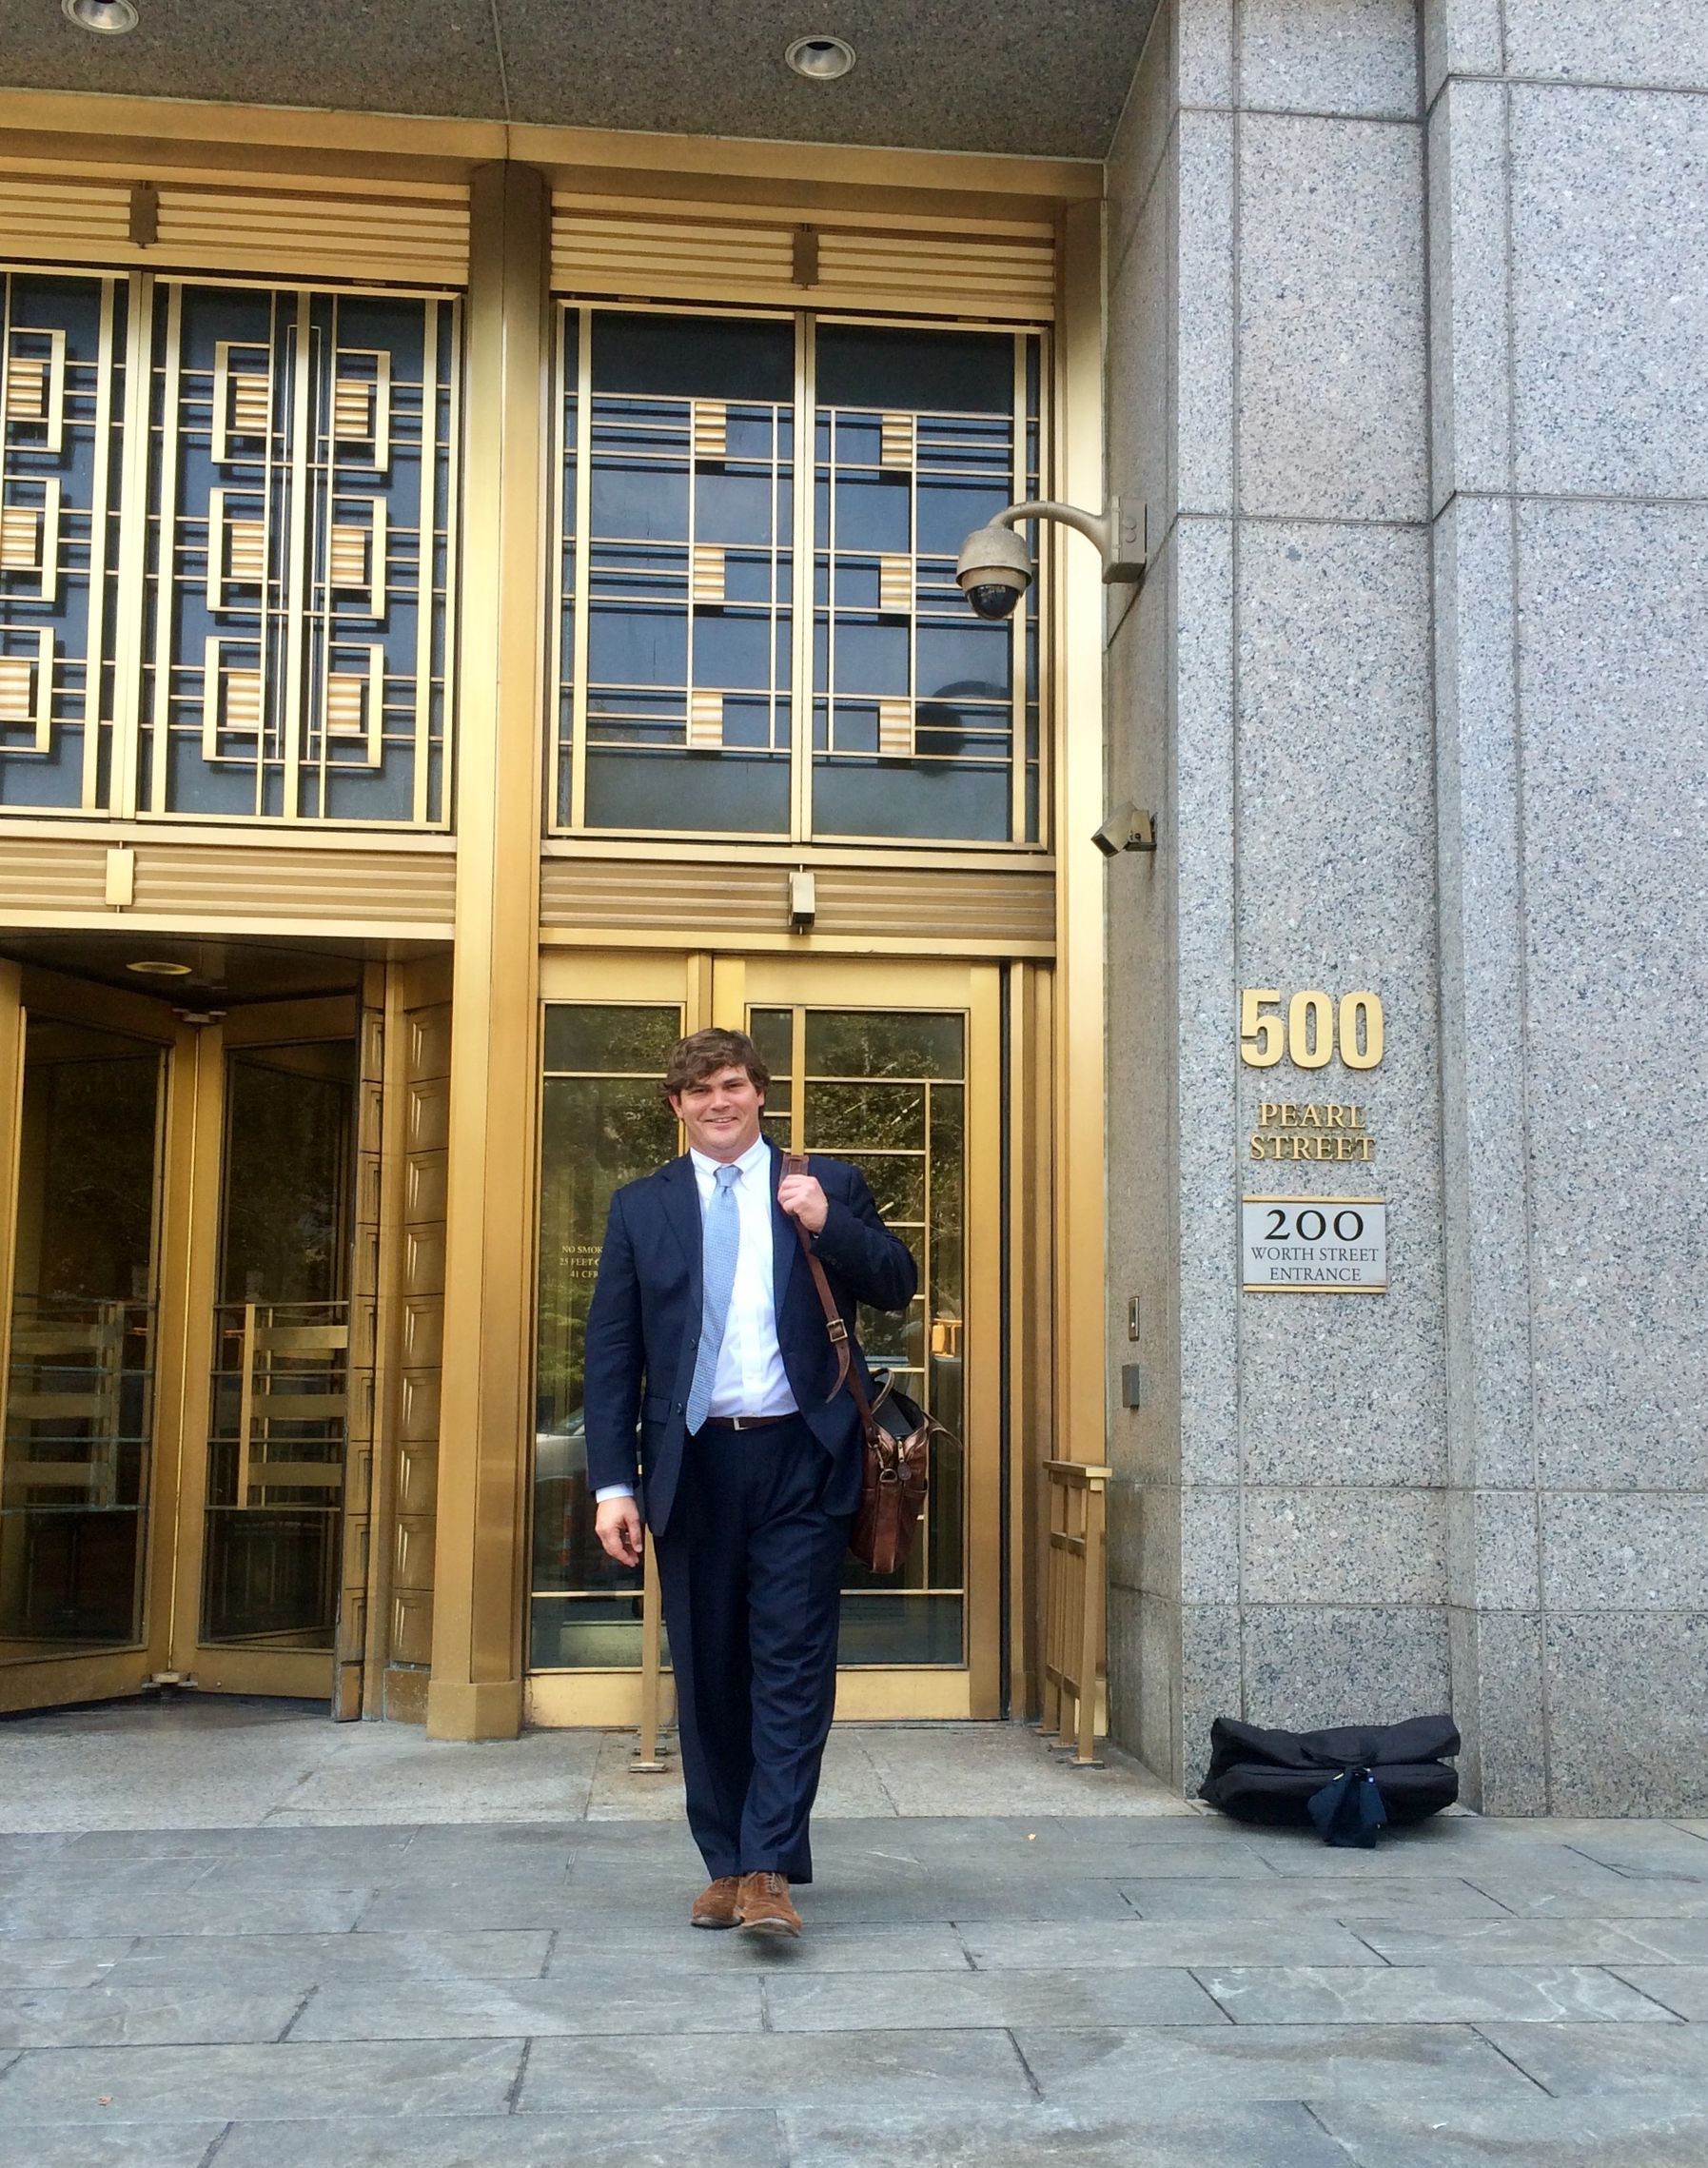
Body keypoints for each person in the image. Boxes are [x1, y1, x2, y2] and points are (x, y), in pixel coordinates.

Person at [582, 1026, 916, 1938]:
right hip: (692, 1464)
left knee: (792, 1665)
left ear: (758, 1093)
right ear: (676, 1107)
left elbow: (896, 1282)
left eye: (731, 1084)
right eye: (698, 1091)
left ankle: (767, 1865)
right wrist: (613, 1485)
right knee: (708, 1672)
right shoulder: (640, 1207)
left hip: (801, 1458)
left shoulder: (824, 1182)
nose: (717, 1102)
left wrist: (828, 1224)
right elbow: (611, 1354)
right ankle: (725, 1863)